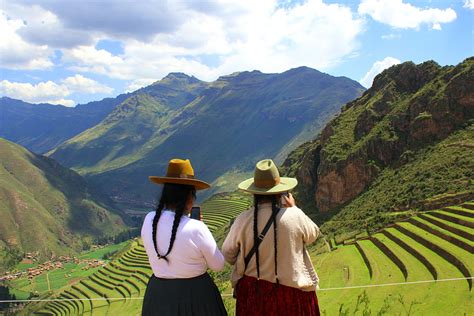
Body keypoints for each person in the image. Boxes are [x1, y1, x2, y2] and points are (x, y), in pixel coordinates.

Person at [222, 159, 321, 316]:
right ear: (280, 192)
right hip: (292, 295)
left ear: (254, 193)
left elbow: (228, 253)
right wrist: (294, 207)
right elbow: (313, 235)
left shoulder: (243, 219)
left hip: (254, 295)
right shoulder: (294, 215)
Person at [141, 158, 227, 316]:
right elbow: (218, 265)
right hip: (196, 297)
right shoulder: (196, 228)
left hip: (158, 297)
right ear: (189, 196)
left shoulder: (149, 220)